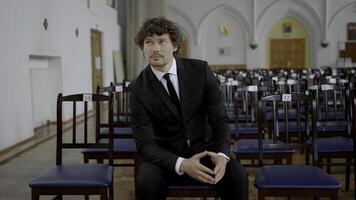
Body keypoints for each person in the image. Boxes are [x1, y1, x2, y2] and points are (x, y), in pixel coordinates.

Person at [128, 16, 248, 200]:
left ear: (175, 45)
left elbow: (219, 119)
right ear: (143, 47)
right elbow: (145, 144)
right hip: (166, 157)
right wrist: (182, 164)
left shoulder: (200, 70)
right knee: (145, 181)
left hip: (206, 150)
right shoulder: (138, 89)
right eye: (148, 42)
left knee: (238, 176)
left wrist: (223, 154)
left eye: (162, 41)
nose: (155, 48)